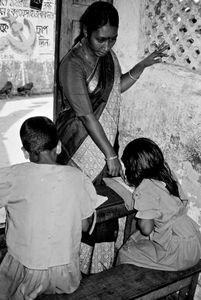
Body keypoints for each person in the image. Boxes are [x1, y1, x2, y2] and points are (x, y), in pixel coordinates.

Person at [55, 1, 169, 274]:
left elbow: (115, 90)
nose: (107, 46)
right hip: (79, 145)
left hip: (103, 142)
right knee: (82, 205)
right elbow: (86, 115)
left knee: (104, 204)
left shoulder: (108, 59)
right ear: (85, 31)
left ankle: (98, 268)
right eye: (101, 39)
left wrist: (141, 67)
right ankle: (73, 267)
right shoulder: (72, 64)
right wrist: (110, 154)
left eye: (113, 39)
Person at [0, 116, 99, 299]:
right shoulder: (77, 177)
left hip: (23, 272)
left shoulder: (11, 176)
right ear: (59, 146)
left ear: (25, 151)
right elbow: (85, 226)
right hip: (65, 276)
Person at [116, 137, 201, 271]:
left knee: (126, 252)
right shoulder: (168, 174)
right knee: (137, 238)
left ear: (132, 167)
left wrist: (141, 220)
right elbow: (183, 201)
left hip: (179, 252)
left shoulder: (145, 187)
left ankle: (131, 286)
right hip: (193, 242)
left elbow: (146, 229)